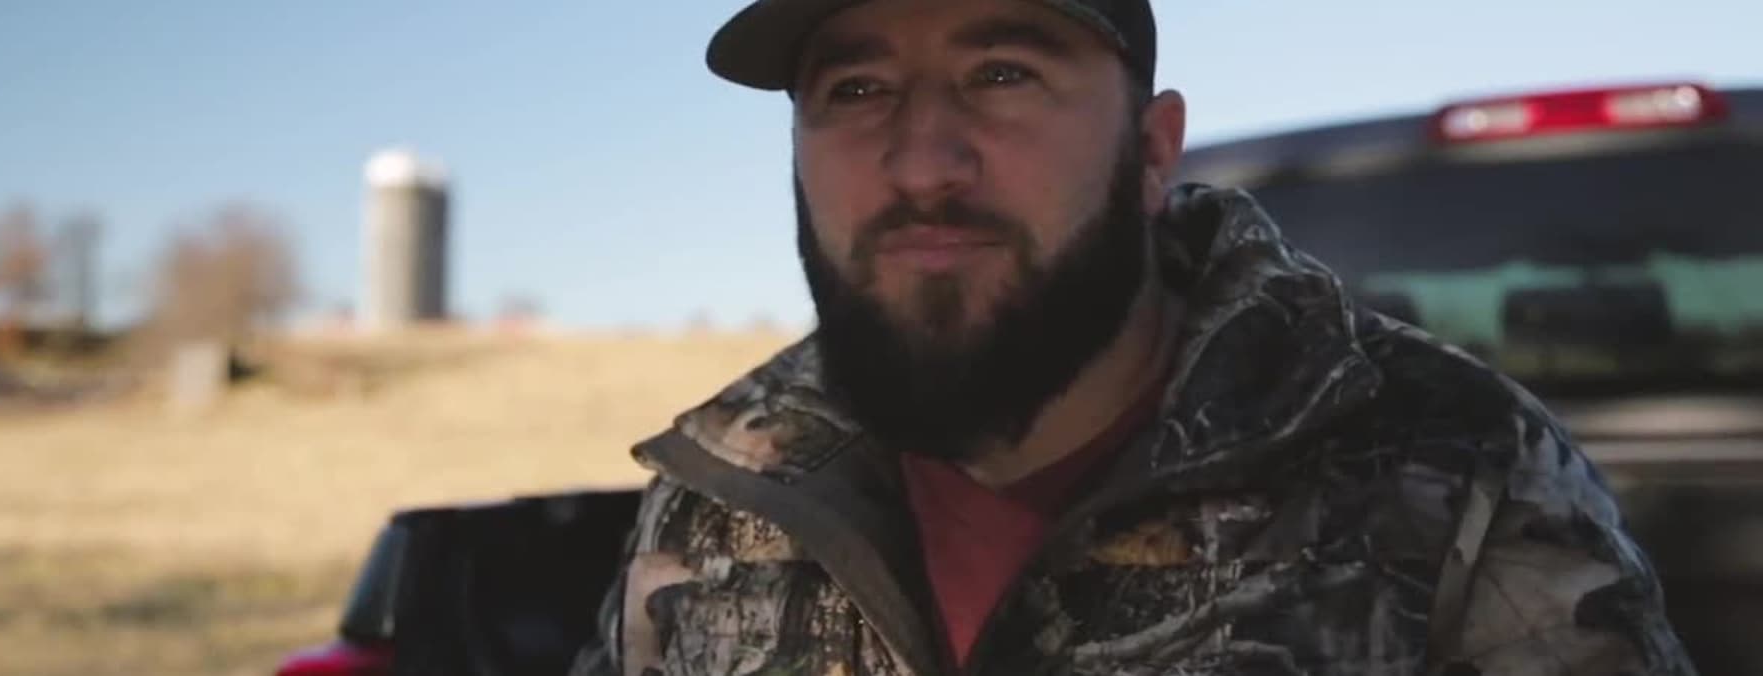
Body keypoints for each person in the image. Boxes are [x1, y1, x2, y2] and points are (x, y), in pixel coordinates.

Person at [569, 0, 1696, 674]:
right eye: (858, 89)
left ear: (1154, 151)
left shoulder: (1448, 467)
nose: (921, 162)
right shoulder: (722, 487)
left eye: (1002, 74)